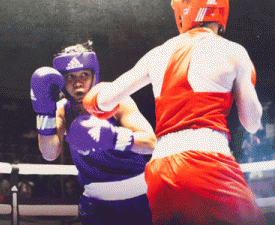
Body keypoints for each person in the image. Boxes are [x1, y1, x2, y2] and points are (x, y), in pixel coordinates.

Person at [82, 0, 267, 224]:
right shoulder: (233, 51)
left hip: (161, 170)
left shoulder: (157, 53)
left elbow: (104, 101)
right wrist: (245, 83)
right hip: (206, 161)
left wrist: (95, 97)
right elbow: (252, 123)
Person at [30, 42, 156, 225]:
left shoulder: (116, 100)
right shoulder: (62, 111)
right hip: (95, 203)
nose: (77, 83)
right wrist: (44, 113)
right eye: (70, 76)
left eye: (84, 75)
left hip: (139, 197)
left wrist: (112, 138)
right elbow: (49, 153)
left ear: (94, 75)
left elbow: (151, 143)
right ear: (62, 81)